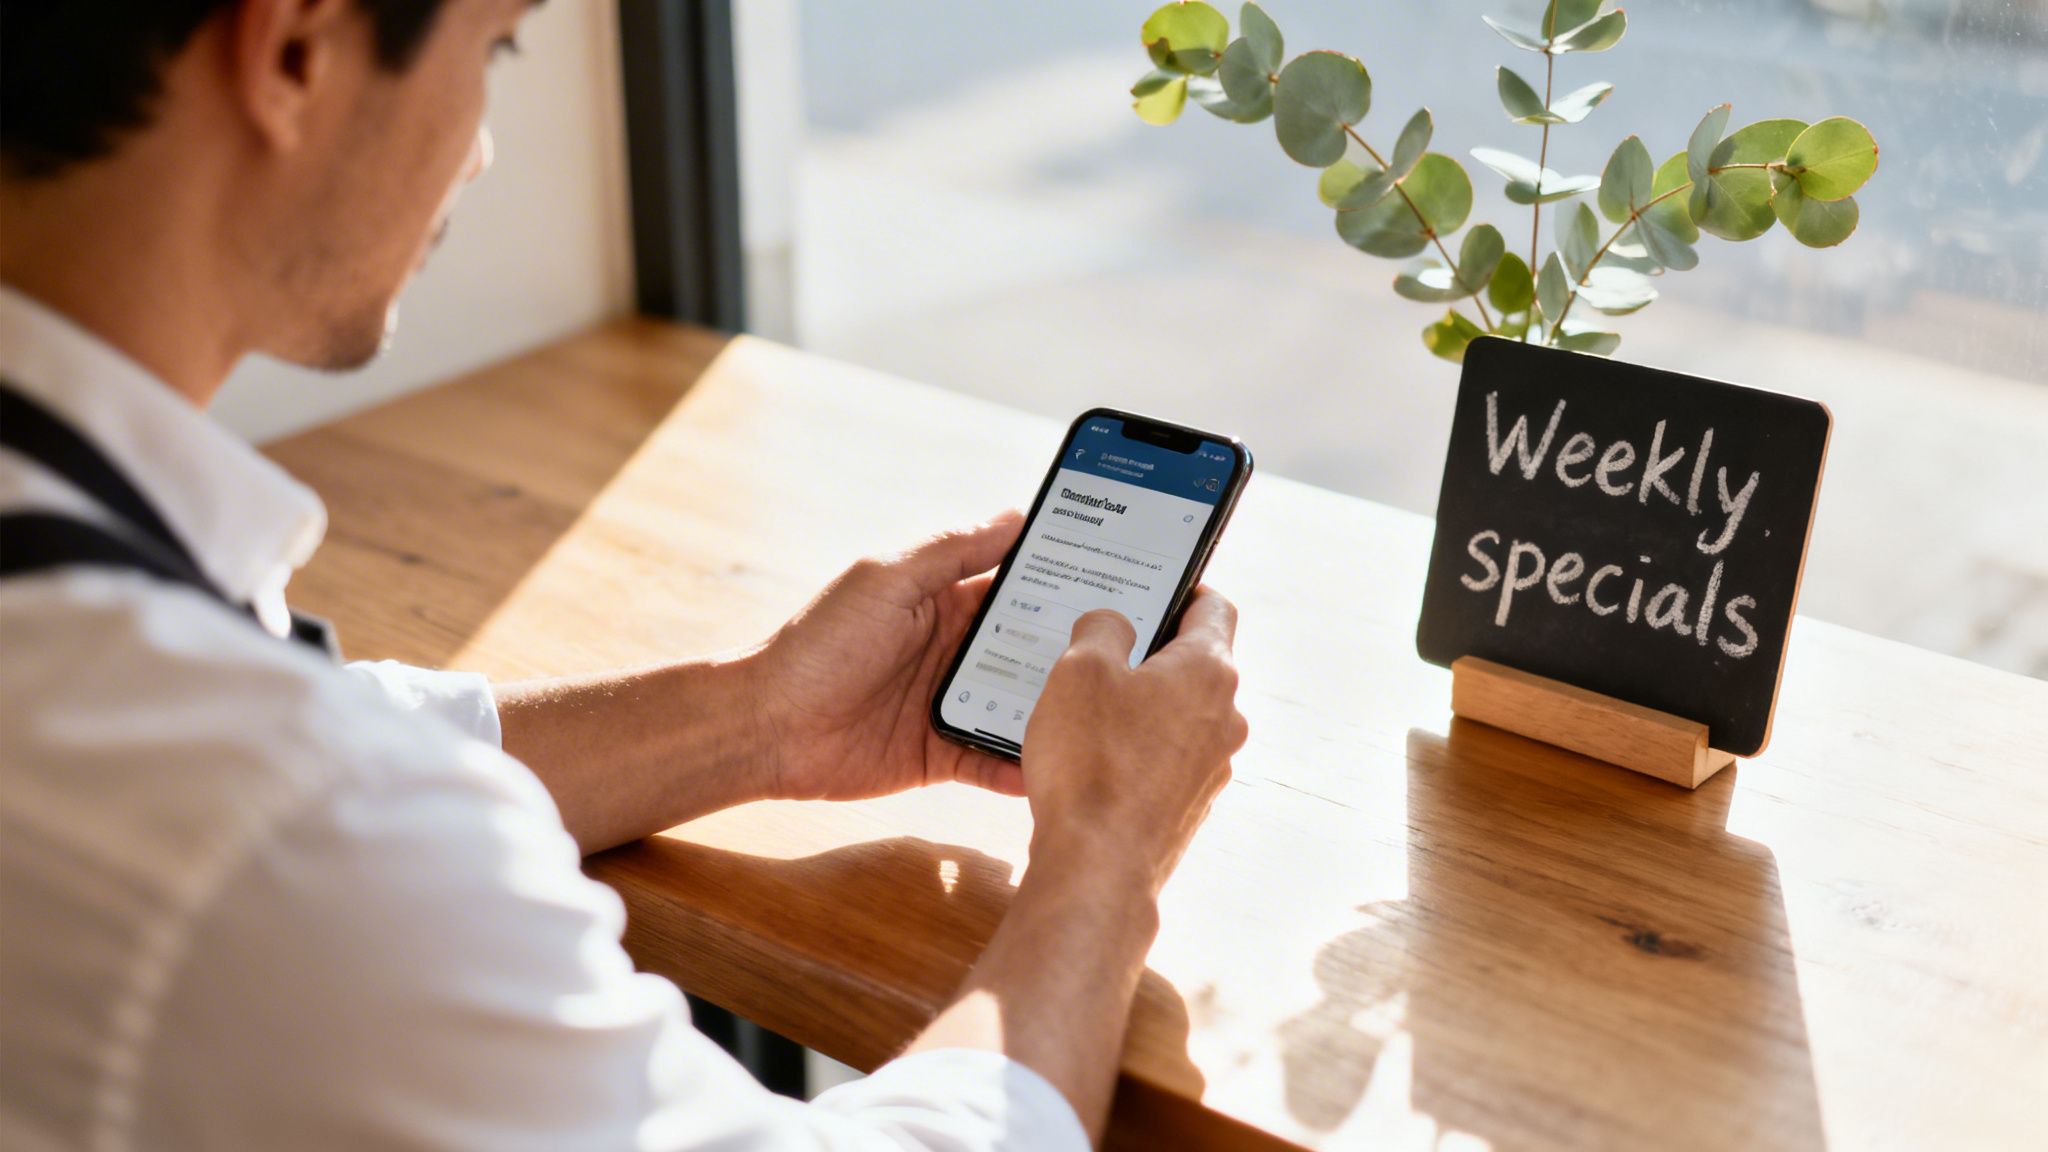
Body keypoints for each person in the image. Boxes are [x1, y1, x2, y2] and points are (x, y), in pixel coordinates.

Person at [0, 2, 1249, 1149]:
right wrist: (1099, 851)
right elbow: (317, 803)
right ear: (294, 52)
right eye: (495, 47)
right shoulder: (267, 832)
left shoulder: (96, 629)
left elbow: (345, 735)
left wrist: (761, 718)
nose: (480, 153)